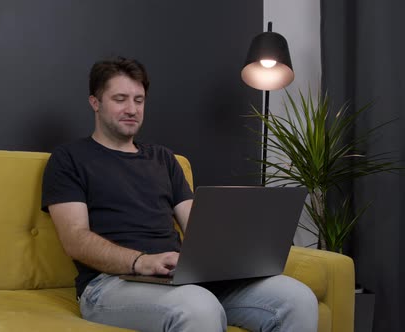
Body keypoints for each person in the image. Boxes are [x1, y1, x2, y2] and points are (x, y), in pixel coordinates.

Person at [41, 56, 318, 332]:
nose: (132, 109)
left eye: (139, 100)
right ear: (95, 102)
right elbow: (75, 239)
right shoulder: (69, 159)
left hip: (179, 278)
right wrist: (141, 262)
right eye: (120, 99)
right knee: (197, 306)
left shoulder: (164, 159)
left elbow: (198, 227)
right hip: (110, 283)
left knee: (297, 298)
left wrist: (234, 252)